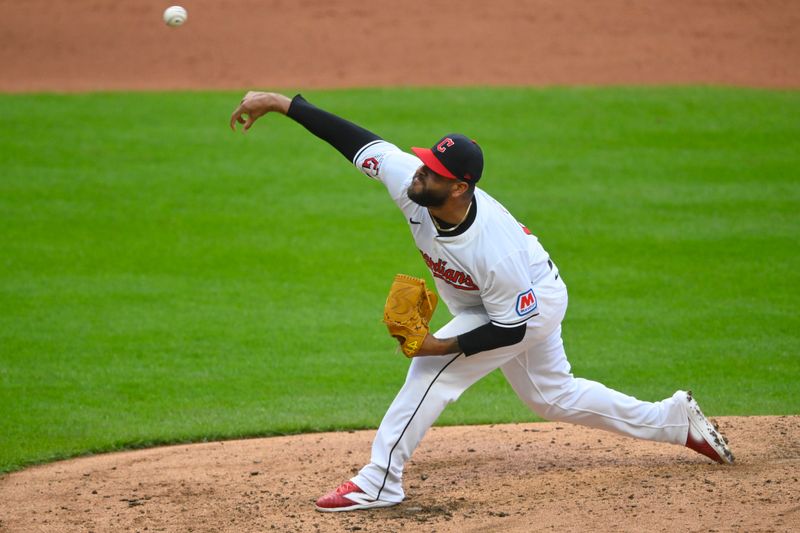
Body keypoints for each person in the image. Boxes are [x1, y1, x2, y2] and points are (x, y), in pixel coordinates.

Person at [229, 91, 735, 513]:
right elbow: (357, 141)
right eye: (423, 163)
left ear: (460, 187)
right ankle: (674, 420)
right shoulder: (412, 185)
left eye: (432, 171)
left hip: (522, 308)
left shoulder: (493, 248)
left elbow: (511, 329)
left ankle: (379, 479)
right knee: (551, 397)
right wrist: (280, 102)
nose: (417, 174)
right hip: (505, 302)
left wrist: (436, 345)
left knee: (431, 377)